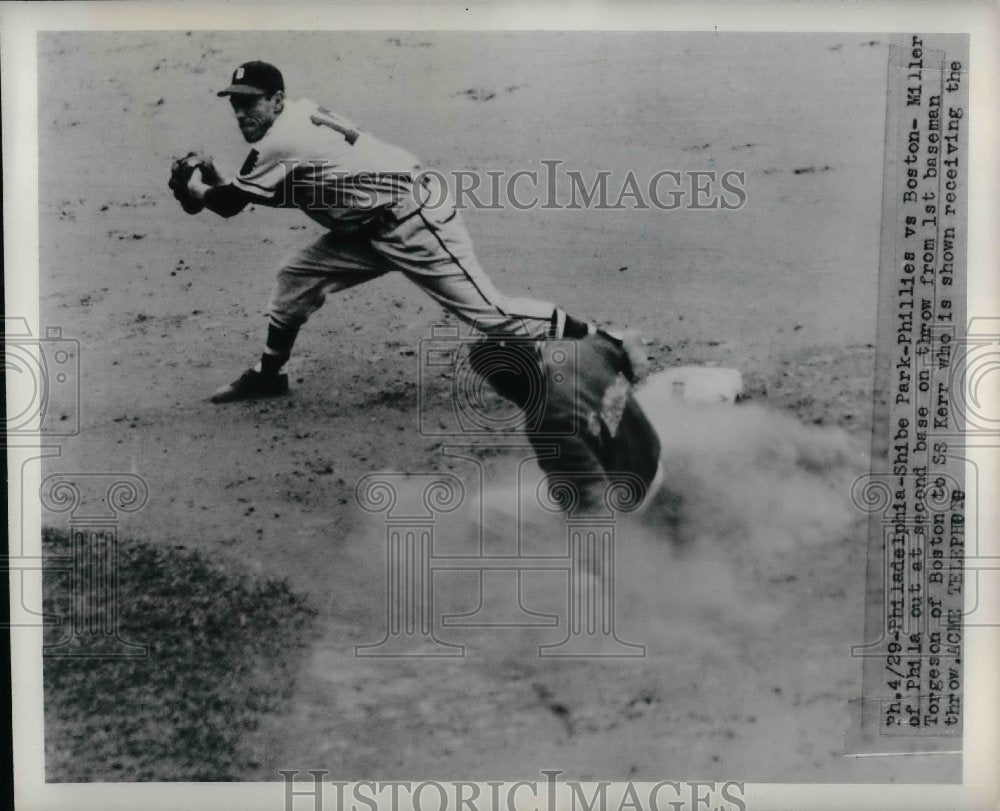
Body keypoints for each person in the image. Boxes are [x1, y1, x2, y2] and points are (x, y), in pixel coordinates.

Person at [172, 60, 662, 511]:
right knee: (295, 278)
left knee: (490, 315)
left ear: (277, 100)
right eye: (235, 103)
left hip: (412, 217)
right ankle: (270, 374)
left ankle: (610, 340)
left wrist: (194, 186)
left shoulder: (283, 138)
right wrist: (209, 181)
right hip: (361, 225)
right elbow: (278, 190)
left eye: (250, 101)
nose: (242, 112)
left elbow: (228, 204)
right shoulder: (290, 127)